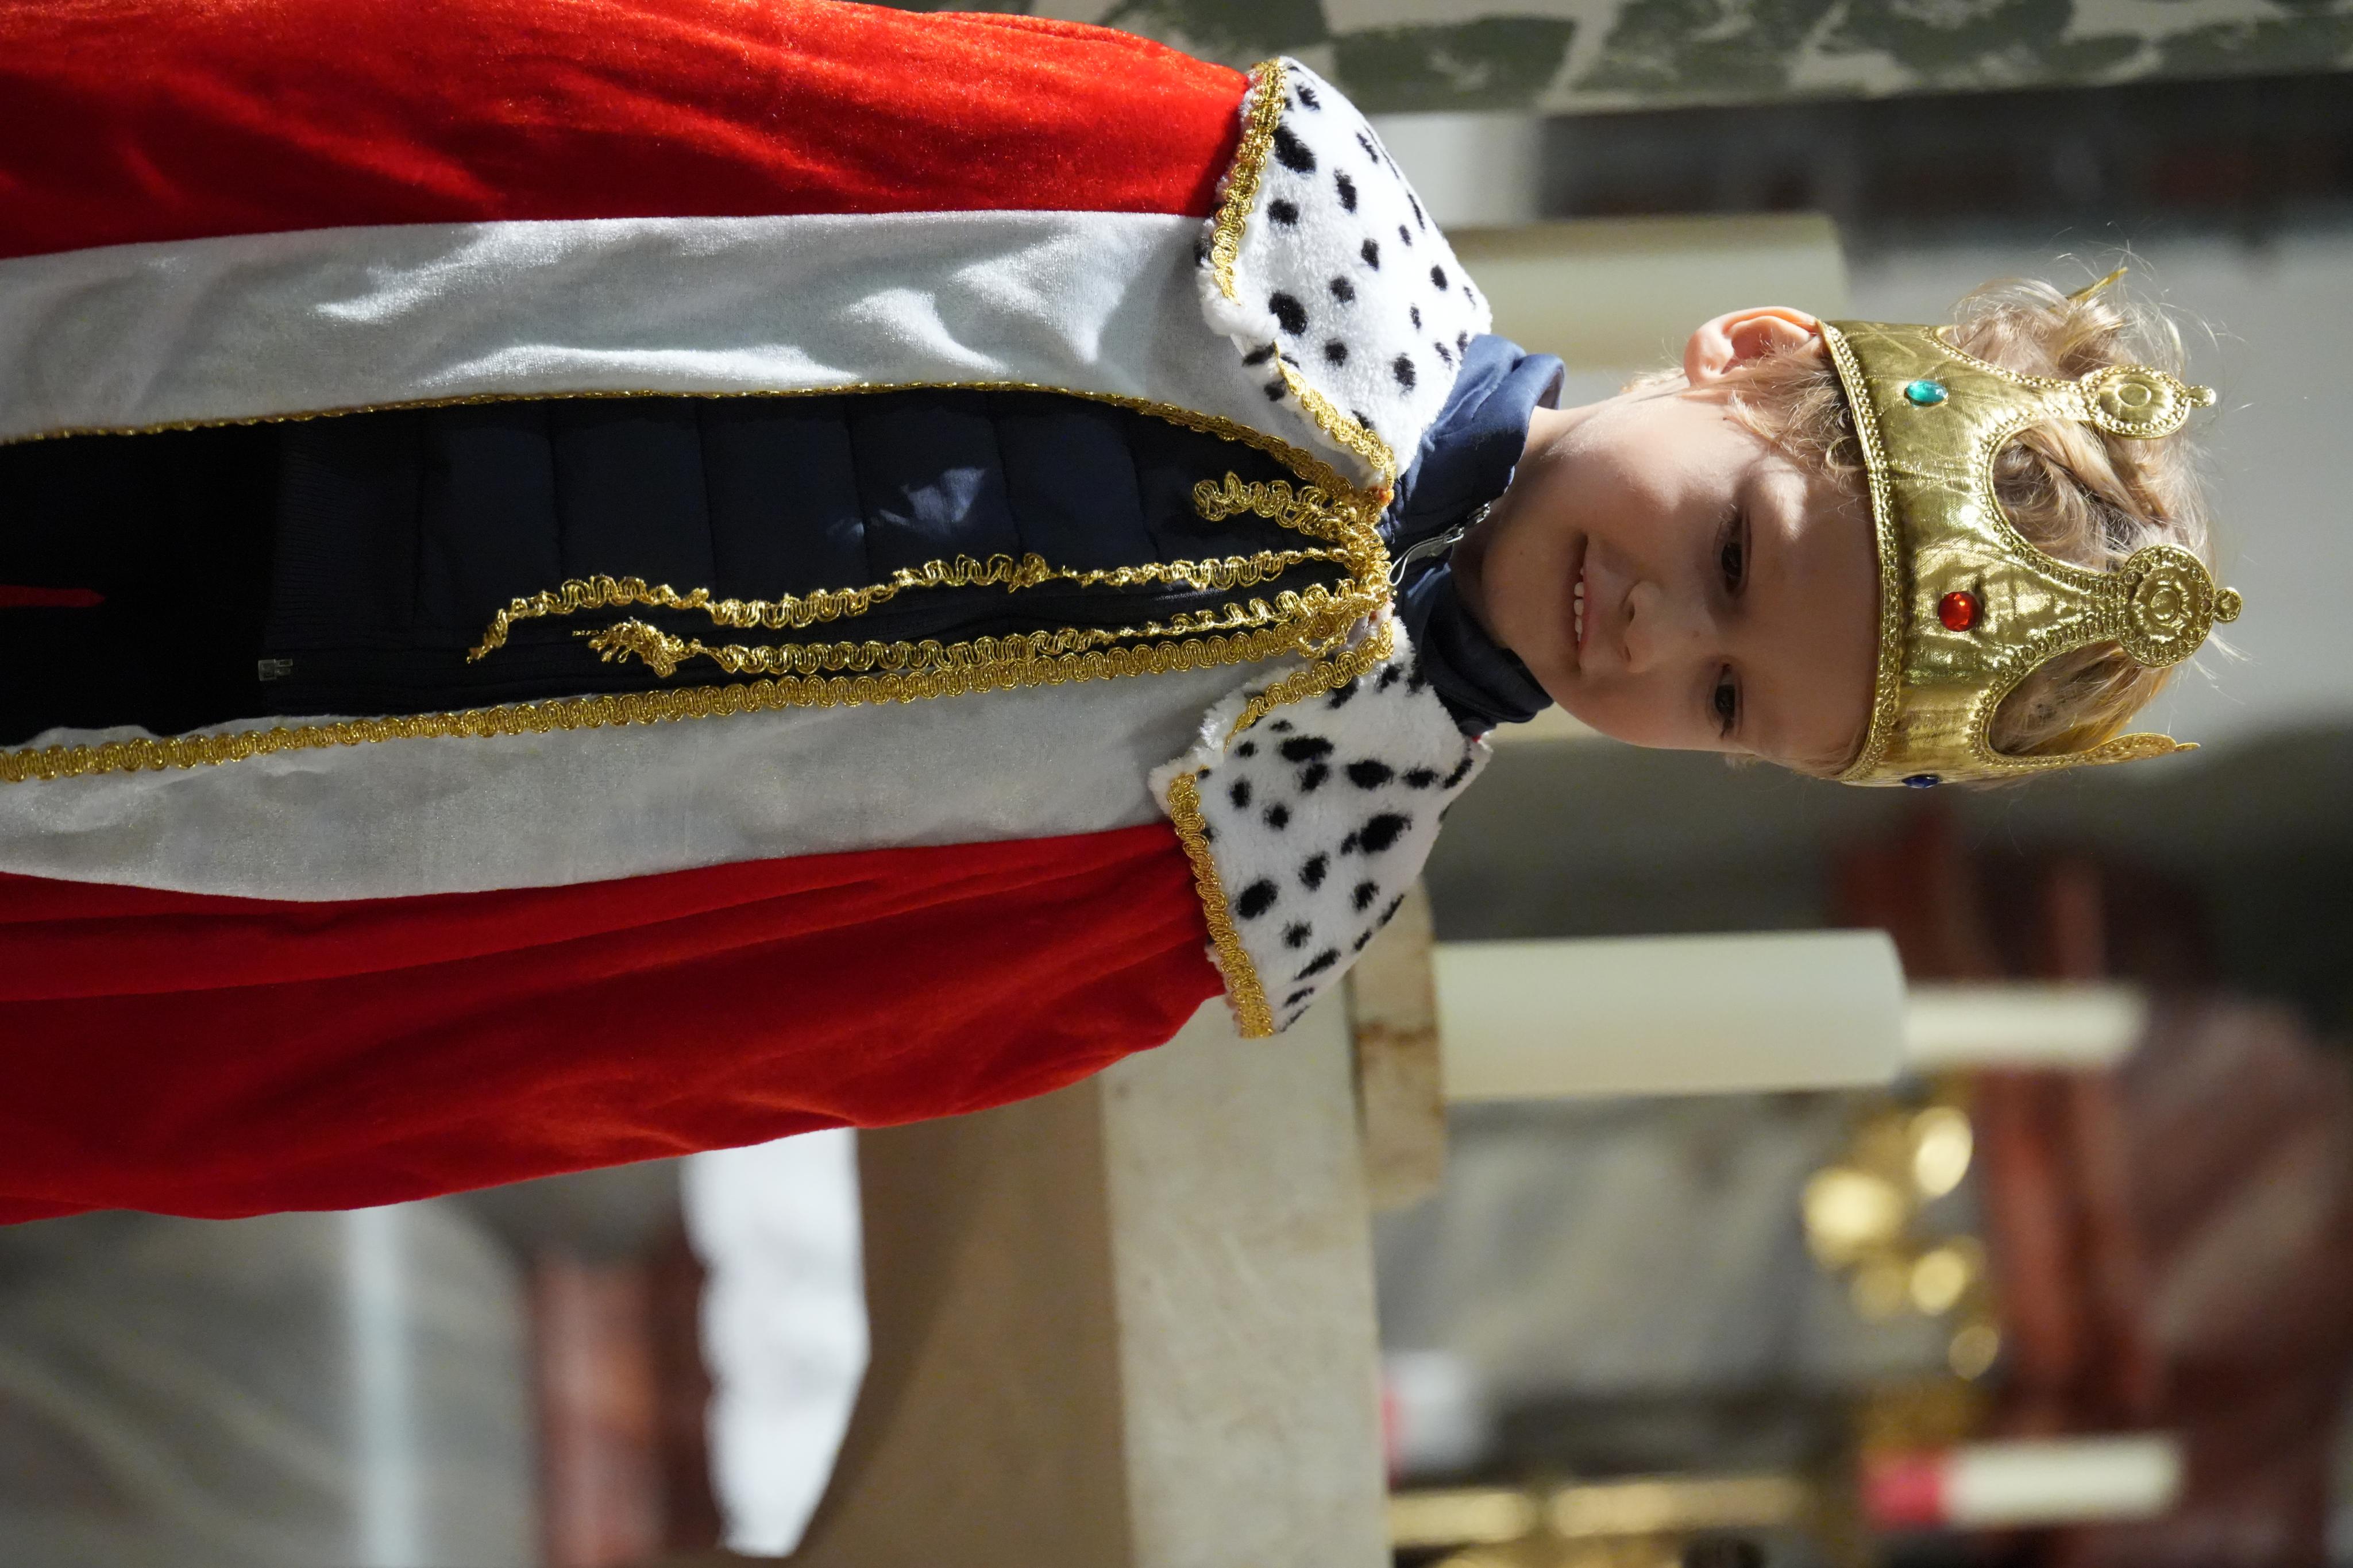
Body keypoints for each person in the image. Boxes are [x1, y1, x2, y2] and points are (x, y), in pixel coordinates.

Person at [0, 0, 2236, 1222]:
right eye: (1732, 557)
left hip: (292, 782)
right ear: (1740, 352)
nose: (1654, 637)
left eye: (1730, 698)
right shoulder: (1244, 207)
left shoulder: (1268, 871)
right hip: (323, 386)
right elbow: (703, 99)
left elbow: (673, 1037)